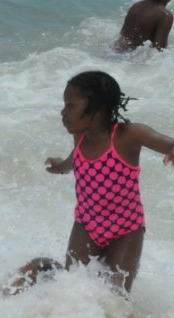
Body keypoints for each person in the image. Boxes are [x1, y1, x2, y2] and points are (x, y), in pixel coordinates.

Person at [44, 71, 174, 293]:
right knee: (72, 289)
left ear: (96, 108)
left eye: (70, 105)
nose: (63, 112)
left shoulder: (129, 135)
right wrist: (60, 168)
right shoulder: (80, 136)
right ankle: (42, 268)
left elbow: (170, 144)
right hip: (86, 224)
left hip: (127, 230)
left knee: (116, 298)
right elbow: (75, 159)